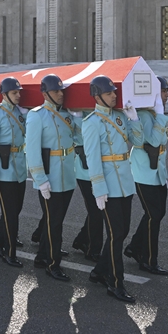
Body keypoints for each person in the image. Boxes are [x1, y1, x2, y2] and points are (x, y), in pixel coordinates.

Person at [82, 75, 143, 303]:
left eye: (114, 92)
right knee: (116, 235)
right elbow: (92, 158)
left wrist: (134, 119)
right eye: (109, 93)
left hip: (125, 183)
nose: (114, 96)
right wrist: (98, 188)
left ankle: (99, 271)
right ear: (97, 96)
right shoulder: (91, 122)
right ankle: (115, 282)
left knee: (122, 231)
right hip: (107, 185)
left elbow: (138, 141)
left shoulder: (119, 117)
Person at [25, 74, 78, 282]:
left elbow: (76, 138)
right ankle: (53, 263)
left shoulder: (66, 114)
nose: (61, 94)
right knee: (54, 223)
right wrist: (40, 179)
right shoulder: (36, 115)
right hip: (50, 177)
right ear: (46, 93)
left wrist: (79, 118)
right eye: (56, 91)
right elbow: (32, 151)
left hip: (66, 175)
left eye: (61, 90)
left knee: (55, 219)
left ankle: (42, 256)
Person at [125, 76, 168, 276]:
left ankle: (135, 247)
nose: (166, 95)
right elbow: (153, 142)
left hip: (157, 172)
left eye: (167, 91)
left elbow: (161, 143)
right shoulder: (144, 115)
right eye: (163, 91)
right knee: (154, 215)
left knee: (157, 213)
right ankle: (149, 260)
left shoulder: (152, 114)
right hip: (143, 173)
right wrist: (160, 115)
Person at [0, 77, 30, 267]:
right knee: (11, 213)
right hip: (4, 171)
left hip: (19, 168)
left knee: (15, 209)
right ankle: (9, 252)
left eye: (19, 92)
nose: (18, 95)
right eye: (14, 93)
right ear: (4, 95)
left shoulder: (20, 113)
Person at [70, 102, 102, 263]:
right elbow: (85, 136)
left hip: (100, 166)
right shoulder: (76, 113)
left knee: (97, 210)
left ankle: (82, 239)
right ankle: (93, 249)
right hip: (85, 168)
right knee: (96, 210)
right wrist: (77, 116)